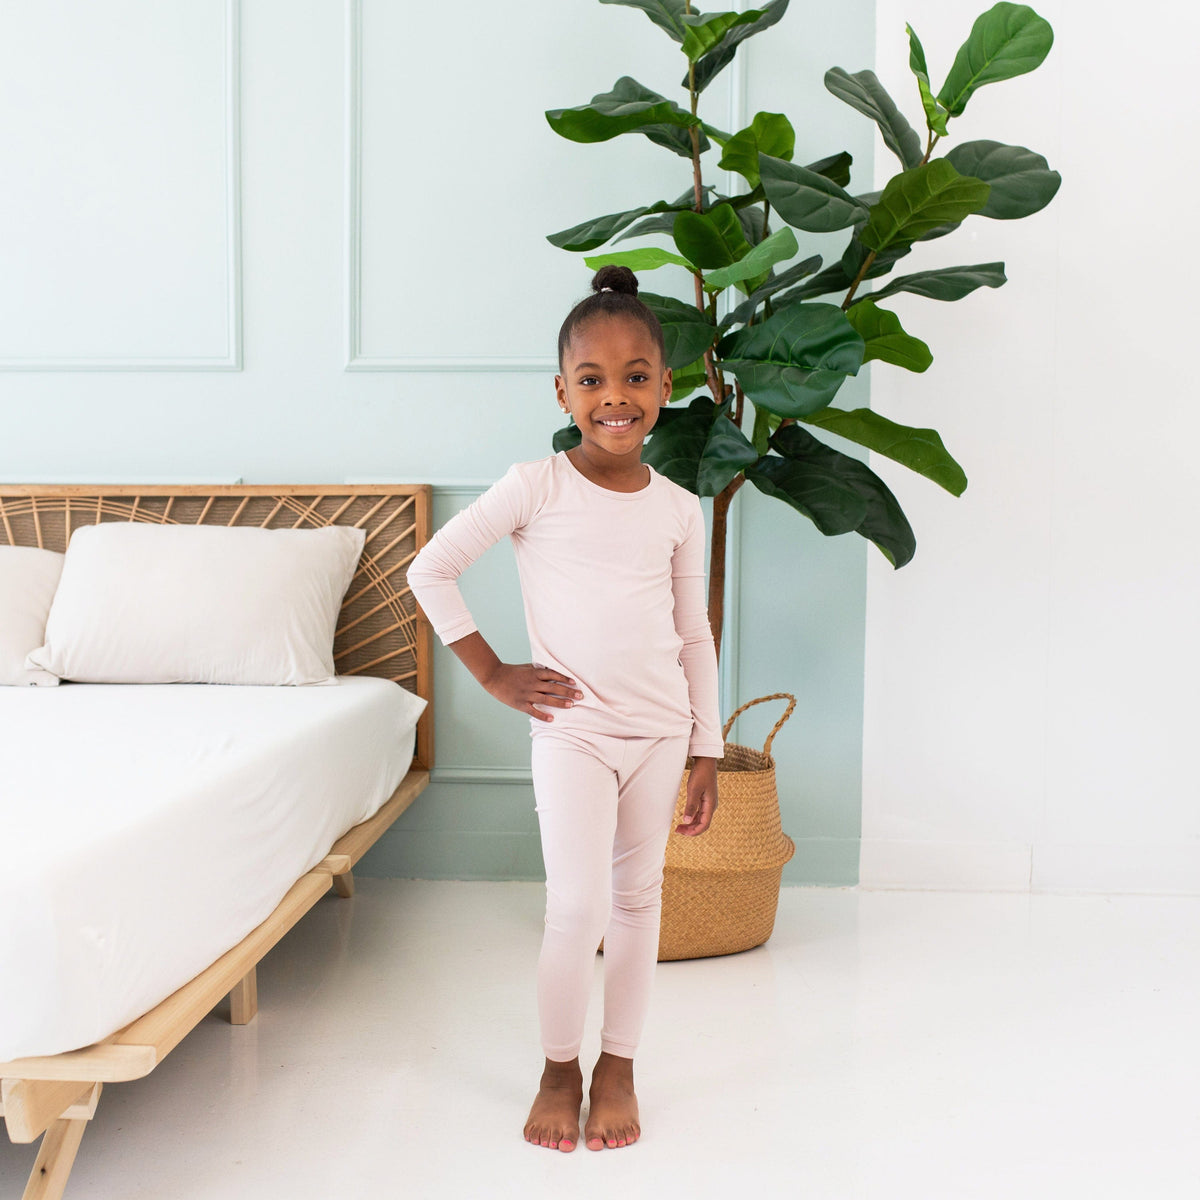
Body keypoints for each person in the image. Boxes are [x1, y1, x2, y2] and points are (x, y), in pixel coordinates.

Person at [406, 264, 722, 1153]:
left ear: (667, 386)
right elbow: (429, 569)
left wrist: (709, 747)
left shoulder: (678, 507)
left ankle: (619, 1064)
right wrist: (494, 674)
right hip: (575, 731)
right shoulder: (533, 485)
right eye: (592, 380)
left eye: (635, 377)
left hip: (660, 732)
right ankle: (559, 1069)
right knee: (576, 908)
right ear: (562, 391)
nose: (614, 398)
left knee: (638, 903)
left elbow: (692, 635)